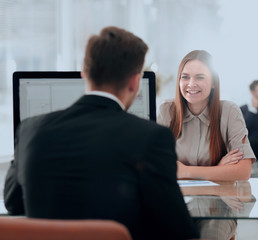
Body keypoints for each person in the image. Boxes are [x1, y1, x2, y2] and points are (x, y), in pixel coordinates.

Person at [3, 27, 199, 240]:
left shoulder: (29, 130)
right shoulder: (152, 138)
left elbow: (14, 203)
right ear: (134, 82)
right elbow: (179, 229)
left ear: (84, 73)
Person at [157, 50, 255, 240]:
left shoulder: (229, 111)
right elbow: (160, 167)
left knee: (210, 235)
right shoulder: (166, 111)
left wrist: (186, 172)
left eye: (200, 77)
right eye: (185, 77)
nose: (191, 84)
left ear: (214, 82)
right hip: (176, 203)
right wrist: (218, 170)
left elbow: (243, 171)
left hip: (219, 206)